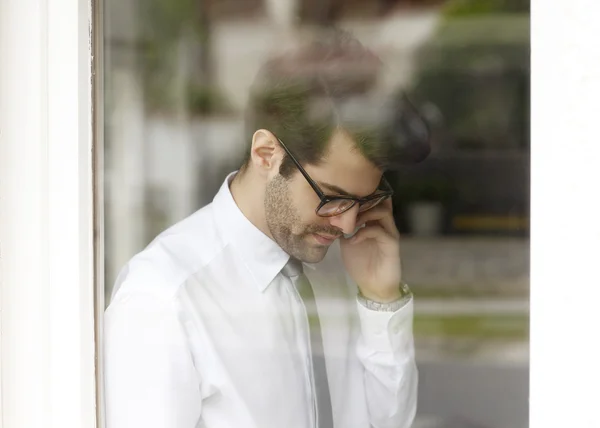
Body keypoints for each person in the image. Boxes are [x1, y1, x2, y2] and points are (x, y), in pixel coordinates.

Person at [104, 29, 430, 428]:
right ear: (266, 155)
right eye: (331, 197)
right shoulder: (164, 298)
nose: (347, 224)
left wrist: (382, 300)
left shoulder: (340, 265)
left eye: (363, 200)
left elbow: (386, 423)